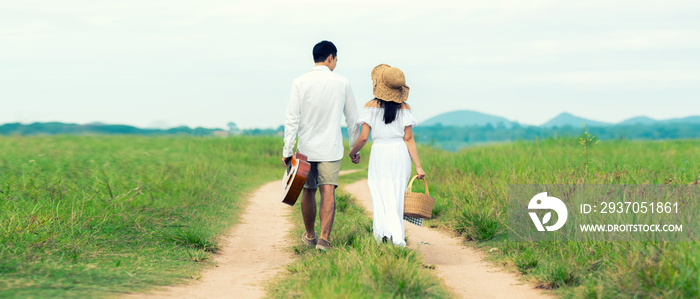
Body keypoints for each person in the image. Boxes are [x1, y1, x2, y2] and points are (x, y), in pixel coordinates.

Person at [282, 40, 360, 251]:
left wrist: (287, 150)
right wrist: (355, 148)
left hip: (306, 149)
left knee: (308, 190)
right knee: (328, 191)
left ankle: (310, 235)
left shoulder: (299, 82)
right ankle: (324, 239)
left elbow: (291, 119)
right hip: (331, 148)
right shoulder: (342, 82)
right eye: (335, 59)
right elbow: (353, 119)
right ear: (330, 58)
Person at [348, 64, 425, 247]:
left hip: (380, 153)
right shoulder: (404, 108)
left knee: (380, 193)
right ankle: (397, 236)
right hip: (400, 154)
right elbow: (409, 139)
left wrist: (353, 152)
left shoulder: (370, 106)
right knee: (397, 195)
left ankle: (384, 233)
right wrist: (419, 166)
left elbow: (364, 137)